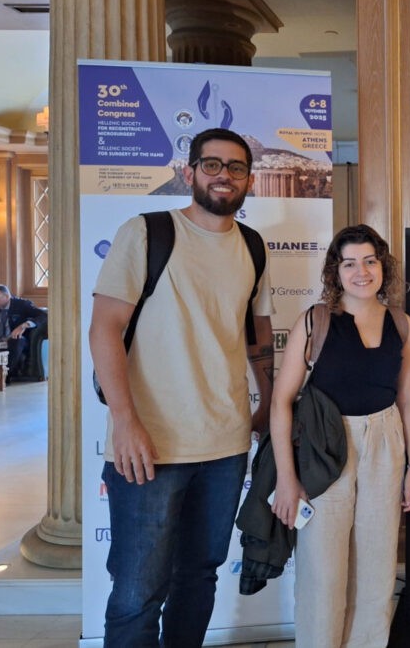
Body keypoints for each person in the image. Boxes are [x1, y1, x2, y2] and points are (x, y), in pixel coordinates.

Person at [88, 127, 274, 647]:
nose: (223, 175)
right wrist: (125, 422)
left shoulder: (253, 246)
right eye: (212, 164)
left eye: (236, 167)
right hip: (150, 445)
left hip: (225, 444)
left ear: (249, 180)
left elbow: (257, 330)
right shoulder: (147, 232)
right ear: (189, 172)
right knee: (137, 590)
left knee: (198, 577)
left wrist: (266, 402)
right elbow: (104, 328)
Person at [269, 224, 410, 647]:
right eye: (350, 263)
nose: (361, 272)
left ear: (383, 266)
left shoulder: (401, 324)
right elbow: (281, 402)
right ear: (335, 272)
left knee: (376, 568)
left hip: (386, 441)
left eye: (370, 261)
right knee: (323, 570)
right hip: (326, 447)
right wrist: (287, 478)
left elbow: (409, 398)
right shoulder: (315, 321)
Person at [0, 284, 47, 380]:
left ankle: (4, 375)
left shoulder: (22, 305)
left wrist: (24, 325)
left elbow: (44, 316)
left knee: (17, 341)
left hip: (16, 339)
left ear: (7, 296)